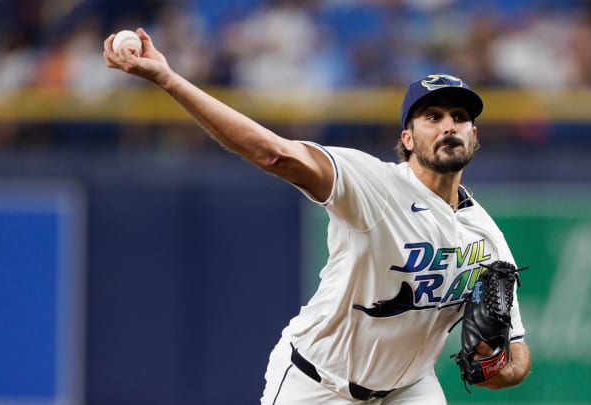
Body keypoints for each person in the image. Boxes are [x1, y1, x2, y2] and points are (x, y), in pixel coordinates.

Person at [103, 27, 531, 404]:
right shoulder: (373, 186)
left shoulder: (486, 238)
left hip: (409, 390)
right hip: (317, 384)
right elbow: (275, 154)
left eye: (460, 118)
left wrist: (494, 366)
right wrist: (168, 79)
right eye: (432, 117)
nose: (449, 126)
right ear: (407, 137)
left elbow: (516, 357)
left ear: (474, 137)